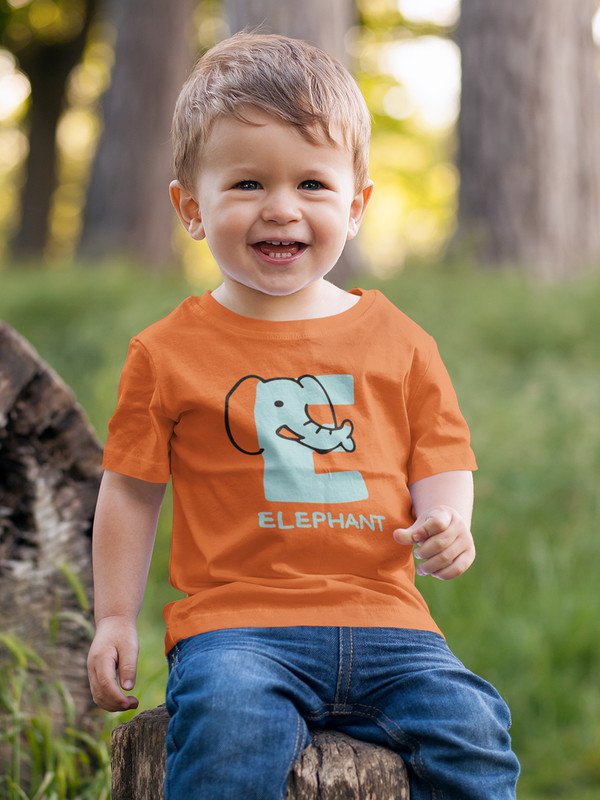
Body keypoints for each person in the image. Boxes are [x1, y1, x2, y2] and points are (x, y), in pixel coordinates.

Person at [86, 31, 520, 800]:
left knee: (474, 729)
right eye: (248, 183)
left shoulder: (399, 340)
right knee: (228, 729)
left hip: (392, 627)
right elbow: (129, 490)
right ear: (191, 208)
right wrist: (114, 618)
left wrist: (448, 520)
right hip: (237, 632)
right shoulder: (167, 352)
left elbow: (440, 457)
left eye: (312, 184)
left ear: (354, 207)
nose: (281, 208)